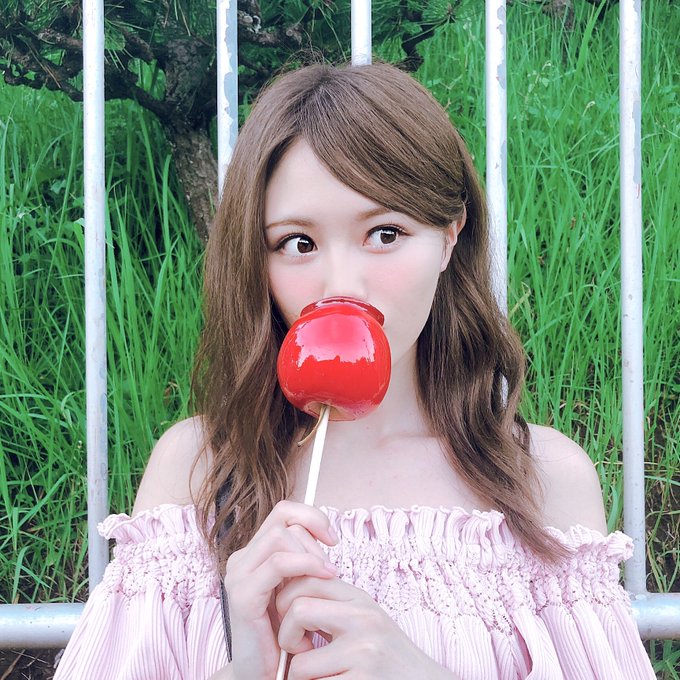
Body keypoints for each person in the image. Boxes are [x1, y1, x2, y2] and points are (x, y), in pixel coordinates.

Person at [54, 61, 655, 680]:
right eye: (298, 243)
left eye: (385, 233)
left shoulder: (544, 483)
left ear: (449, 237)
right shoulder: (198, 472)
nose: (341, 285)